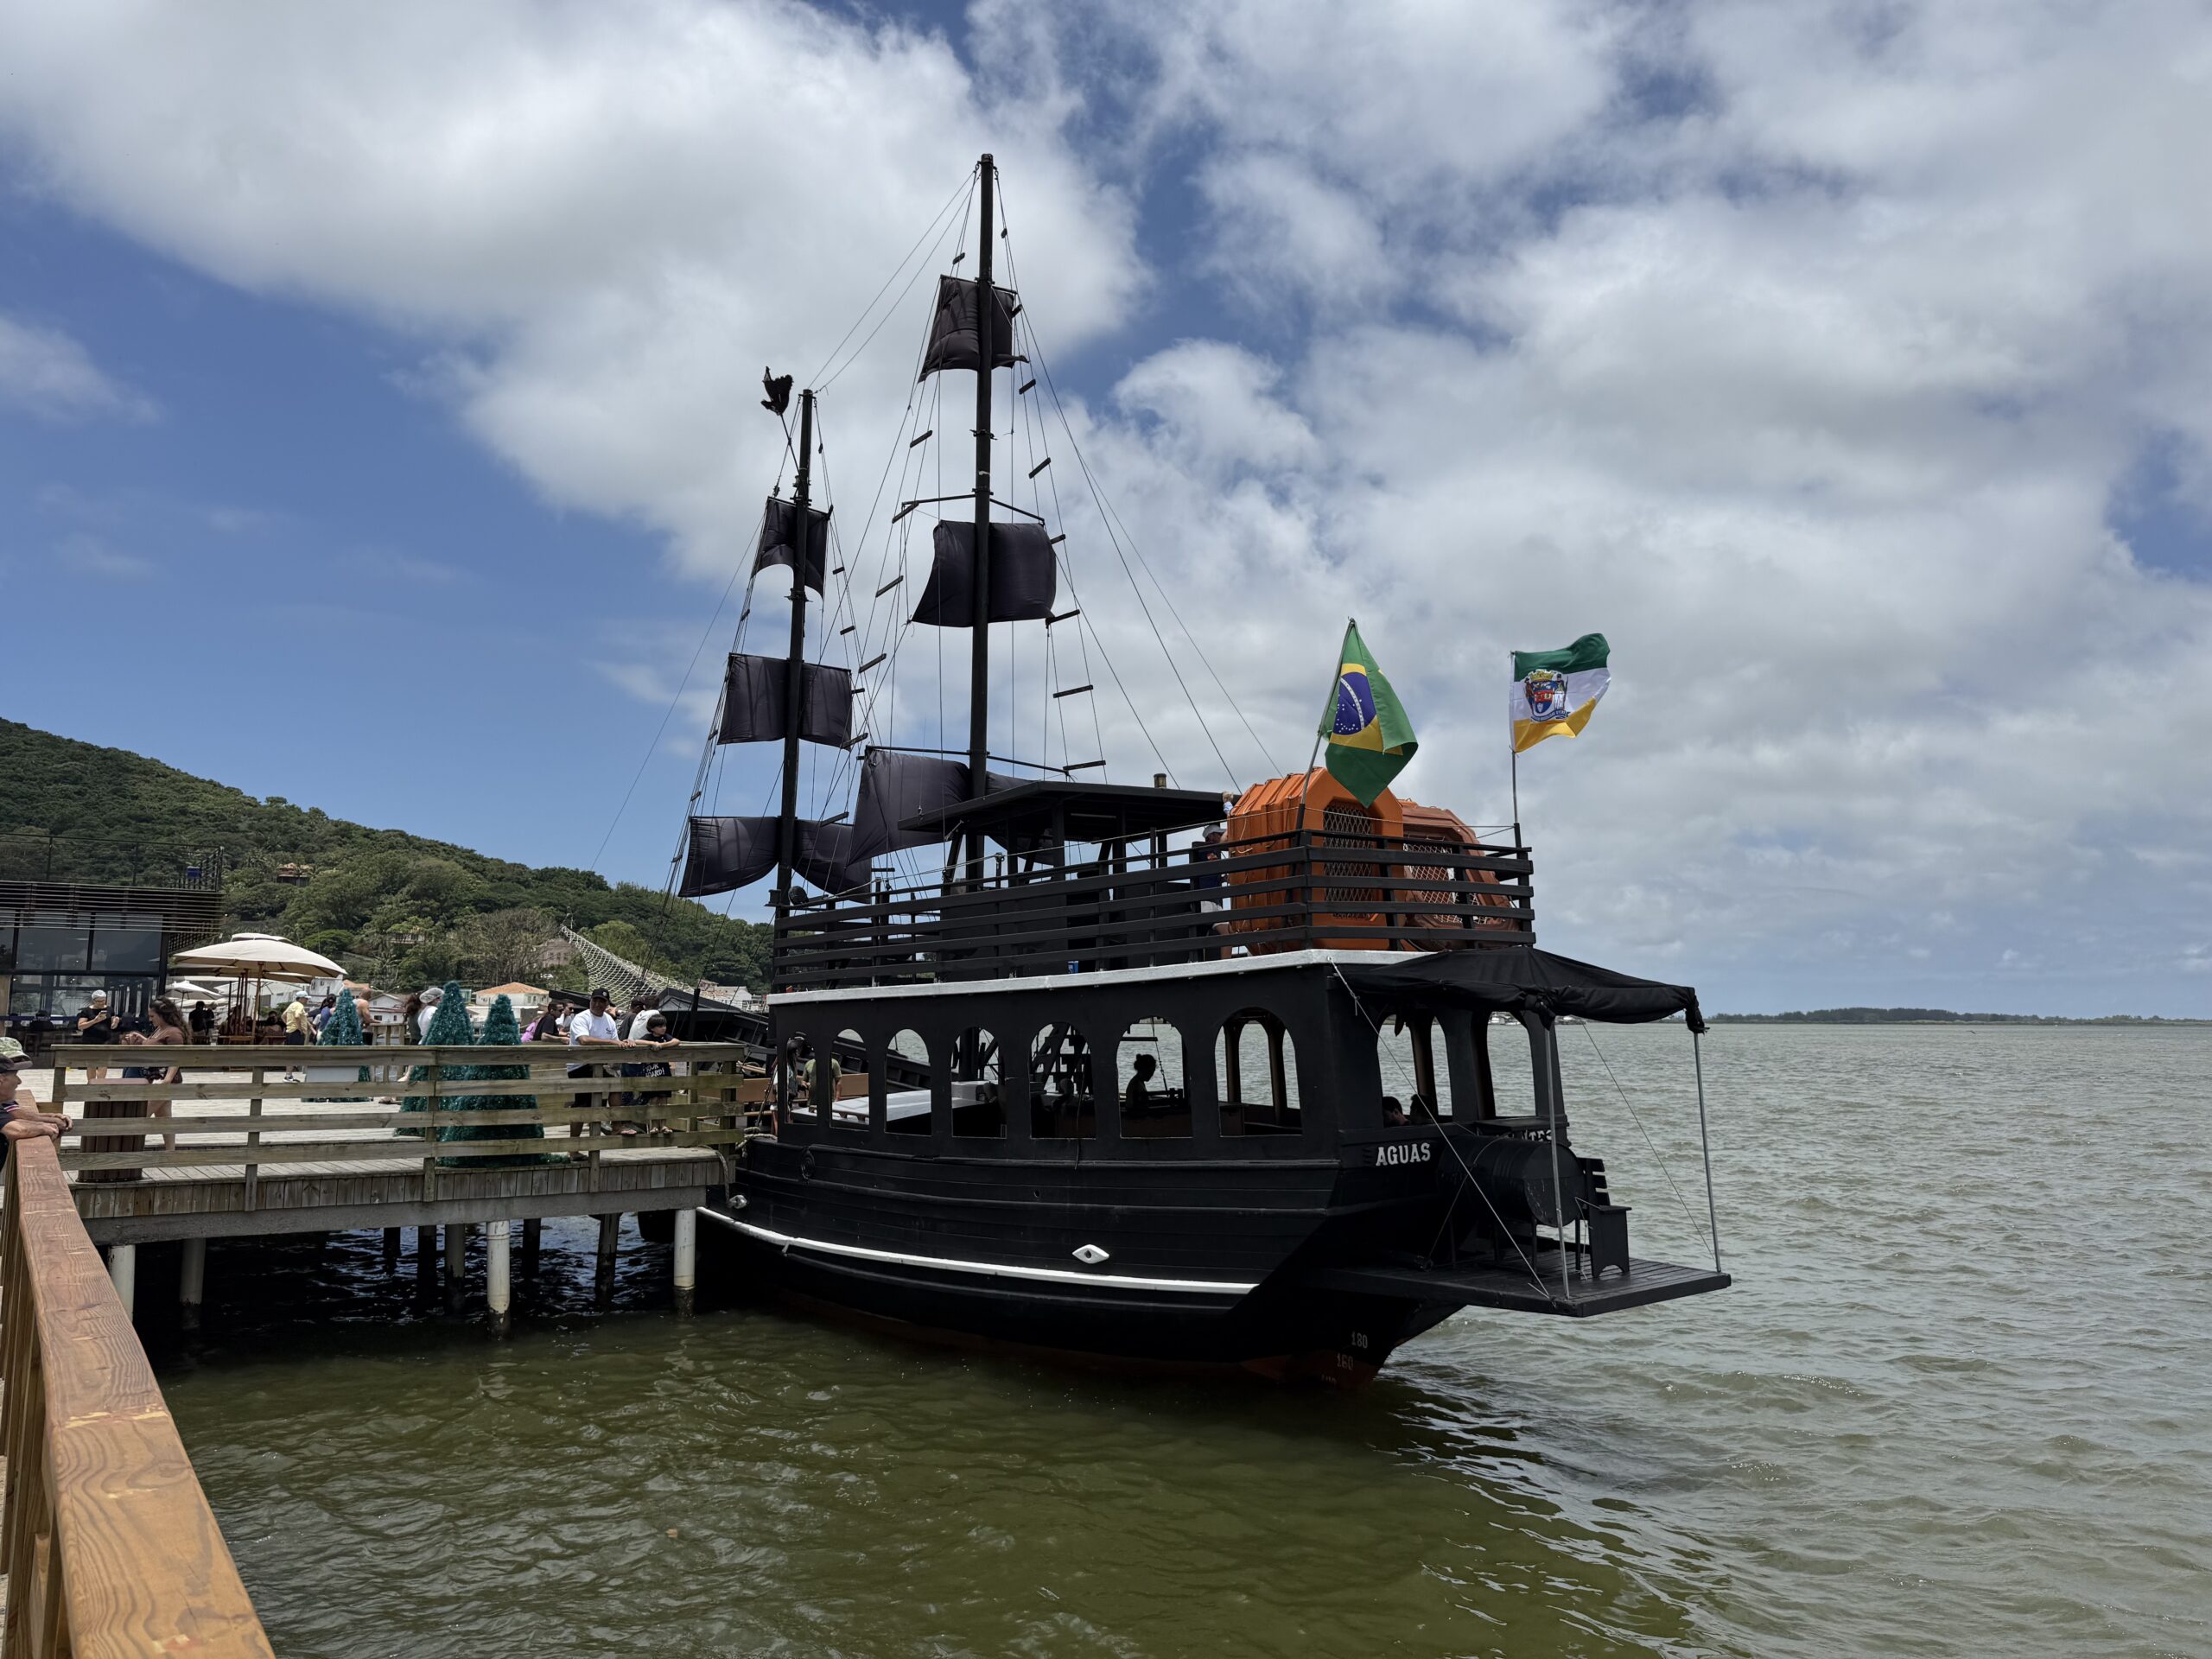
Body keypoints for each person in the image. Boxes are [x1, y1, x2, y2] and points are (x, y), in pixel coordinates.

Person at [117, 996, 187, 1153]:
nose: (150, 1019)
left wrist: (167, 1080)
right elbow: (154, 1044)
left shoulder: (174, 1033)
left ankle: (129, 1151)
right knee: (164, 1118)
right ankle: (170, 1152)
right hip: (156, 1080)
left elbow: (176, 1058)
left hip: (162, 1081)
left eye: (152, 1016)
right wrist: (142, 1039)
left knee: (141, 1116)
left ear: (162, 1015)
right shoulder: (160, 1029)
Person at [564, 988, 626, 1146]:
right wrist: (613, 1043)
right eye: (595, 1000)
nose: (598, 1004)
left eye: (602, 1001)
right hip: (579, 1066)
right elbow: (584, 1040)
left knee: (615, 1085)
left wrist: (626, 1044)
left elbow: (616, 1043)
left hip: (599, 1065)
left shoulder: (609, 1020)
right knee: (582, 1106)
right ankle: (573, 1148)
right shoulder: (582, 1018)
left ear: (607, 1004)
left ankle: (616, 1125)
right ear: (591, 1001)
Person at [75, 990, 116, 1083]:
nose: (101, 1003)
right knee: (91, 1064)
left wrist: (115, 1022)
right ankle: (91, 1083)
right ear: (94, 1001)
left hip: (106, 1040)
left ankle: (100, 1083)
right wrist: (95, 1021)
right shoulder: (87, 1011)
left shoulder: (109, 1009)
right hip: (90, 1040)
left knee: (103, 1064)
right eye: (99, 1001)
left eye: (103, 1001)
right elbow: (80, 1026)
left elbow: (112, 1026)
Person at [279, 993, 313, 1083]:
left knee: (290, 1054)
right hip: (296, 1033)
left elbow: (283, 1016)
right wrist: (300, 1029)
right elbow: (297, 1016)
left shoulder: (292, 1005)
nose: (307, 1000)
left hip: (289, 1032)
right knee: (294, 1054)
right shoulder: (299, 1006)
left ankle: (288, 1075)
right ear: (301, 998)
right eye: (306, 998)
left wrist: (289, 1024)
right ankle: (288, 1076)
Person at [1122, 1052, 1159, 1118]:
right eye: (1150, 1071)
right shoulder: (1136, 1084)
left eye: (1153, 1072)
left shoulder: (1137, 1082)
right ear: (1144, 1070)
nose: (1152, 1075)